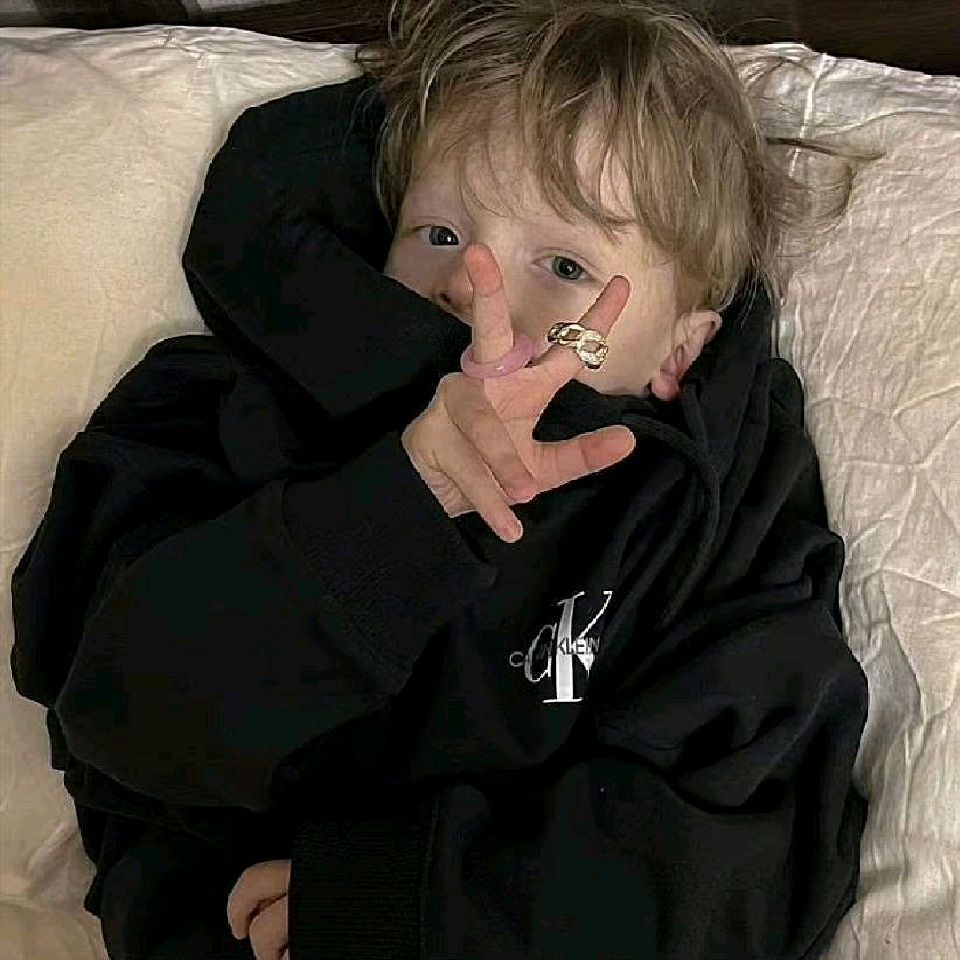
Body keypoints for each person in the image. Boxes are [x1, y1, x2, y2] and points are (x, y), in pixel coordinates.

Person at [10, 0, 870, 957]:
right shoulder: (217, 407)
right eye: (441, 234)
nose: (471, 286)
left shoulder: (713, 504)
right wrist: (400, 509)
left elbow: (753, 851)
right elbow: (118, 720)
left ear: (680, 350)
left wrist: (400, 909)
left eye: (564, 261)